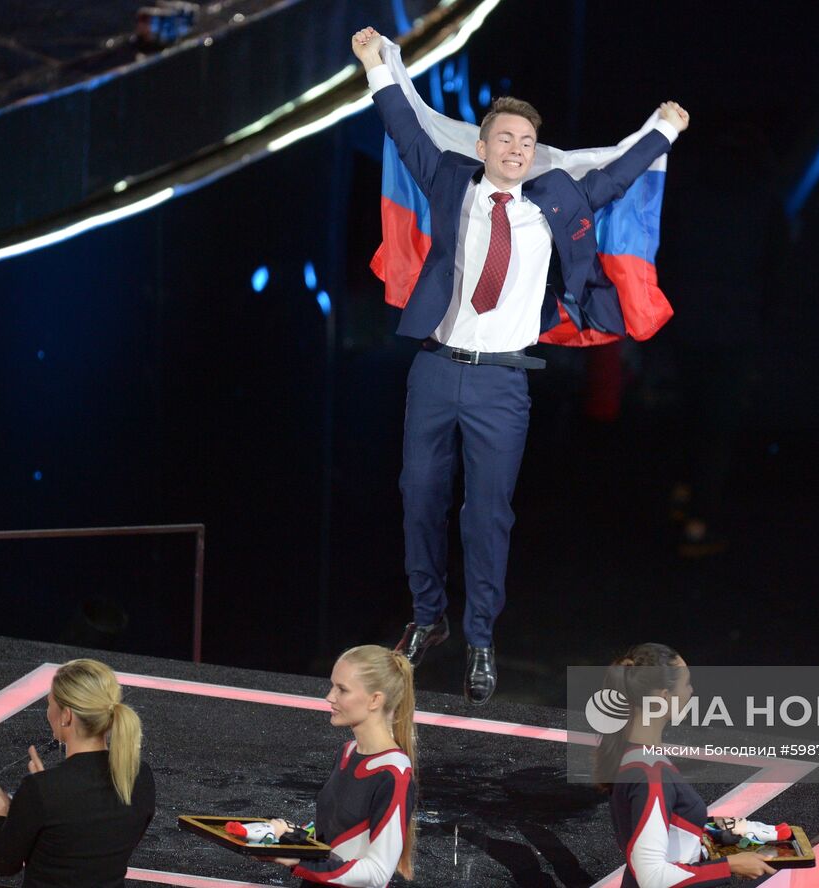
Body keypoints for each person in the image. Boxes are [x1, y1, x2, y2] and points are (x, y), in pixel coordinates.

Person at [350, 26, 690, 704]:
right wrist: (375, 66)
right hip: (437, 366)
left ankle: (480, 635)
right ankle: (428, 618)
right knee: (419, 492)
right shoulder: (451, 184)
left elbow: (618, 176)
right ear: (482, 147)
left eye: (527, 143)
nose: (516, 151)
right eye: (504, 139)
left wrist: (664, 130)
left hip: (503, 382)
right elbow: (403, 127)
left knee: (487, 514)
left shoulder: (558, 201)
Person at [593, 642, 777, 886]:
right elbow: (652, 877)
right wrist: (731, 865)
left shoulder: (632, 753)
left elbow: (667, 826)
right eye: (686, 684)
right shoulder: (651, 773)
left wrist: (737, 828)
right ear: (665, 696)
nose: (691, 691)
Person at [0, 658, 154, 887]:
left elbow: (4, 864)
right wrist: (44, 791)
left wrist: (1, 806)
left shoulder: (42, 791)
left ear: (66, 715)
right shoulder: (141, 777)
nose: (48, 712)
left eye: (49, 704)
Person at [265, 645, 417, 887]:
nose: (329, 697)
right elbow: (334, 835)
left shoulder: (393, 774)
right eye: (332, 686)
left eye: (342, 690)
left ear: (375, 699)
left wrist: (298, 861)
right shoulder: (347, 752)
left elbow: (378, 874)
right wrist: (290, 834)